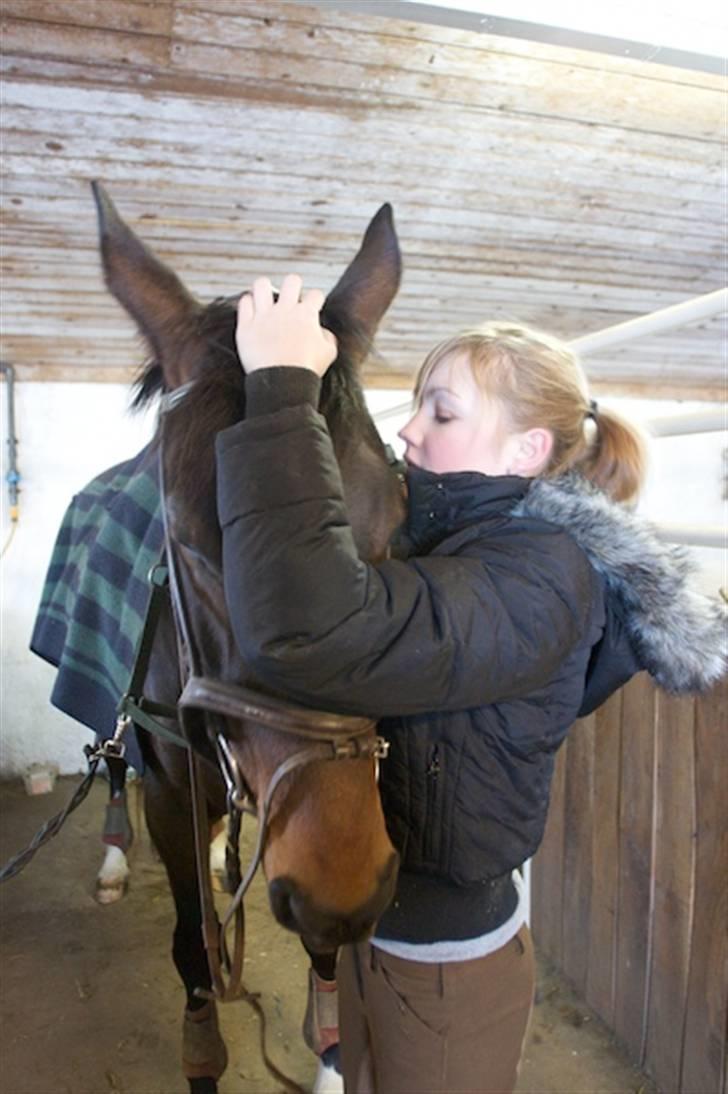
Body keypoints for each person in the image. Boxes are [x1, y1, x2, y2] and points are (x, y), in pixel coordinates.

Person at [214, 275, 726, 1093]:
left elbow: (314, 631)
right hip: (378, 930)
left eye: (442, 414)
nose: (408, 433)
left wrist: (282, 393)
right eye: (417, 407)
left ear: (525, 451)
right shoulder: (445, 544)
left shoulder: (540, 578)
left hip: (447, 964)